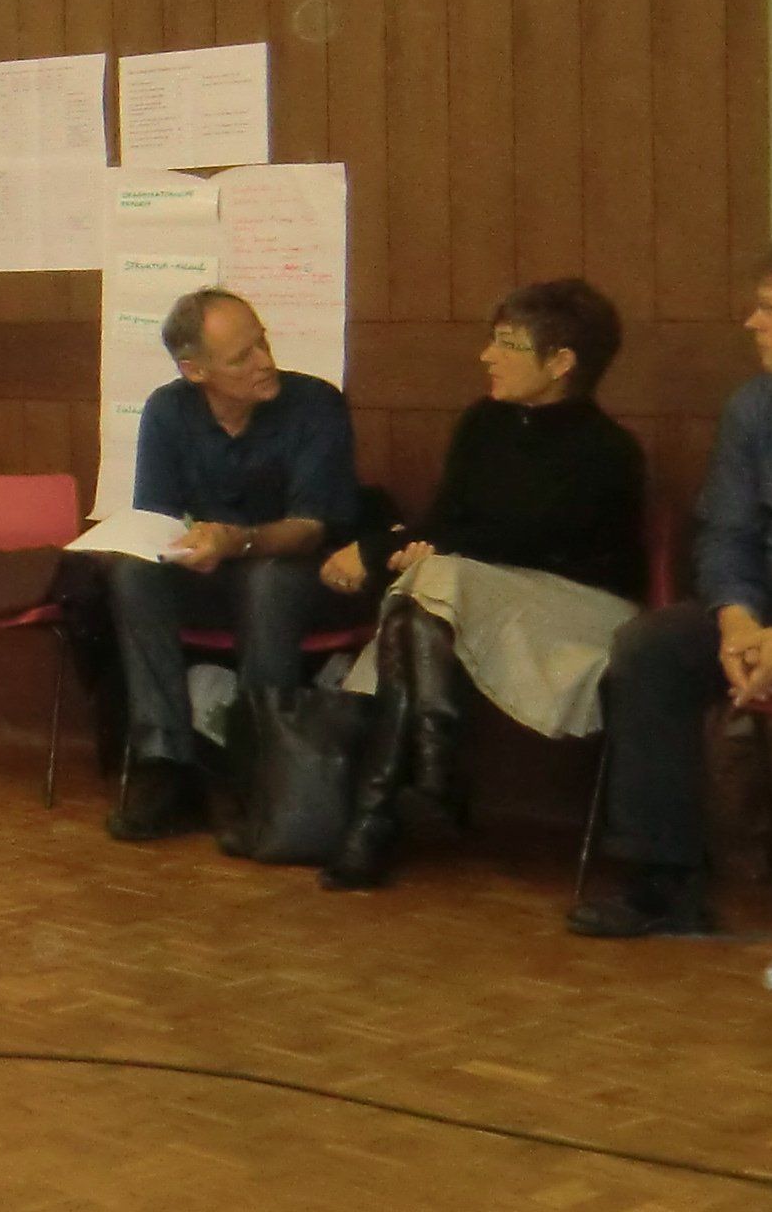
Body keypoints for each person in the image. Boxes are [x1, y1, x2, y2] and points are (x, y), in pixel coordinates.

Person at [573, 231, 772, 985]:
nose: (753, 323)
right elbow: (727, 532)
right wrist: (737, 619)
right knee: (652, 646)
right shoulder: (757, 407)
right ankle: (664, 884)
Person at [314, 279, 648, 889]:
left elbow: (524, 537)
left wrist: (382, 550)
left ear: (561, 363)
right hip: (478, 590)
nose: (486, 356)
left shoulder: (608, 450)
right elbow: (451, 521)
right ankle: (411, 785)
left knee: (434, 579)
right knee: (425, 592)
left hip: (580, 608)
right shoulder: (482, 423)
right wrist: (419, 548)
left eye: (507, 344)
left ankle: (397, 801)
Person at [103, 288, 357, 841]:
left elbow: (311, 527)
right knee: (132, 573)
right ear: (195, 371)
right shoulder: (168, 410)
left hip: (303, 575)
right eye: (242, 357)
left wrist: (236, 541)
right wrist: (180, 546)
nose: (265, 361)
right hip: (213, 570)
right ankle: (162, 760)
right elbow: (157, 519)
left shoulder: (315, 404)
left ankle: (255, 763)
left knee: (267, 582)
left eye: (262, 342)